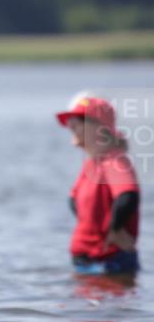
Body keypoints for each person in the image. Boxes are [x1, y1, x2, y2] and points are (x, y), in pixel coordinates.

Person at [55, 94, 141, 277]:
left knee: (110, 304)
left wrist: (115, 230)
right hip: (87, 262)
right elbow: (74, 200)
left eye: (78, 120)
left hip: (108, 262)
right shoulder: (92, 164)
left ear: (98, 128)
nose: (71, 125)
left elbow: (128, 195)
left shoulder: (114, 160)